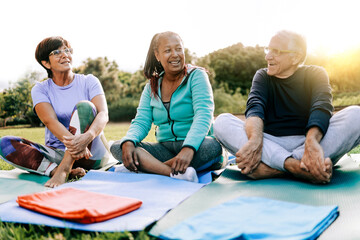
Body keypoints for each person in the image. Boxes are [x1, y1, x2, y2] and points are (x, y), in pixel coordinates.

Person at [213, 30, 360, 184]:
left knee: (356, 115)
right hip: (269, 143)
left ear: (295, 57)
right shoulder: (262, 76)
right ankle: (299, 168)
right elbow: (255, 108)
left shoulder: (316, 73)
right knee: (222, 122)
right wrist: (255, 140)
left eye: (276, 51)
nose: (268, 56)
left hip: (308, 142)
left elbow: (321, 107)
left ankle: (271, 170)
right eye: (268, 49)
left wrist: (311, 143)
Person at [110, 31, 223, 182]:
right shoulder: (152, 86)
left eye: (178, 49)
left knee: (213, 147)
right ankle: (174, 173)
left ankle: (148, 168)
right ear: (157, 55)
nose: (175, 55)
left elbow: (203, 115)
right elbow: (142, 121)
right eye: (168, 50)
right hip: (165, 149)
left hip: (197, 147)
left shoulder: (197, 76)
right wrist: (129, 141)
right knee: (119, 146)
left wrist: (188, 148)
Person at [0, 36, 110, 188]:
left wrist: (86, 138)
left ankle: (64, 170)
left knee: (84, 107)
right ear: (45, 63)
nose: (65, 54)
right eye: (57, 52)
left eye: (67, 50)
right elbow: (50, 121)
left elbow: (103, 114)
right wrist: (75, 145)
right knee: (6, 143)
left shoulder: (89, 81)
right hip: (57, 153)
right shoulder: (40, 89)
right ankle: (56, 170)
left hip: (91, 153)